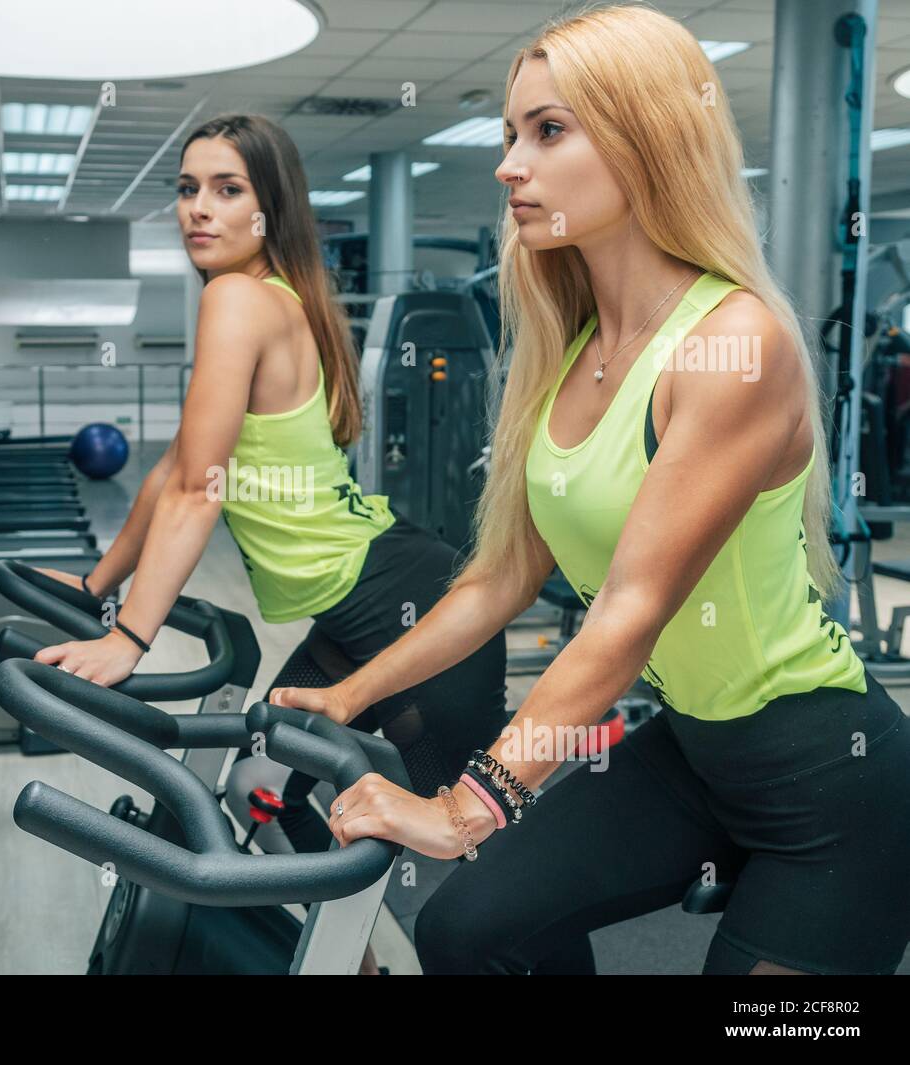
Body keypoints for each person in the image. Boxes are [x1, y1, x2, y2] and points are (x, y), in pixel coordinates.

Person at [273, 3, 910, 976]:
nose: (508, 165)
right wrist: (347, 695)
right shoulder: (569, 349)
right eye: (508, 134)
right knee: (469, 932)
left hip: (829, 786)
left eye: (548, 130)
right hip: (689, 751)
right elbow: (494, 584)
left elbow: (627, 615)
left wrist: (461, 809)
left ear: (644, 136)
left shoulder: (732, 346)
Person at [34, 113, 509, 886]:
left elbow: (197, 490)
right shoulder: (271, 295)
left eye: (227, 189)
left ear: (269, 209)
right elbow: (176, 469)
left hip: (403, 604)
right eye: (188, 189)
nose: (199, 207)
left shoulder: (239, 299)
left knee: (483, 865)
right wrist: (98, 584)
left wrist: (128, 638)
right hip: (366, 600)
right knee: (262, 788)